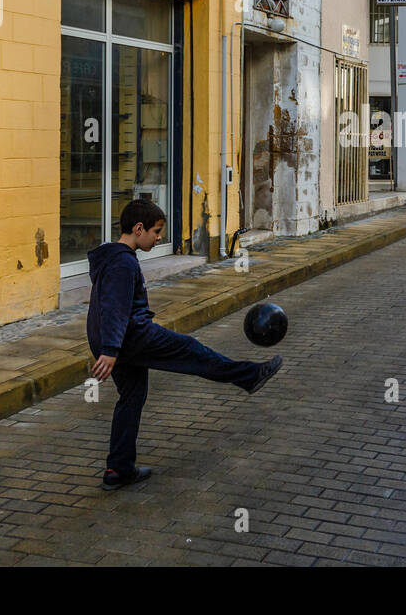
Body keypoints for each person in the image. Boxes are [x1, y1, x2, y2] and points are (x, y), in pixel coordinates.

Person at [86, 198, 283, 490]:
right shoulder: (123, 263)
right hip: (134, 338)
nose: (160, 237)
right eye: (155, 231)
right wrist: (111, 351)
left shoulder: (110, 258)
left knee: (131, 399)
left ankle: (118, 470)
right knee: (194, 353)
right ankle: (249, 376)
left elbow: (101, 308)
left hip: (117, 342)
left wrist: (106, 346)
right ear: (138, 229)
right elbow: (115, 307)